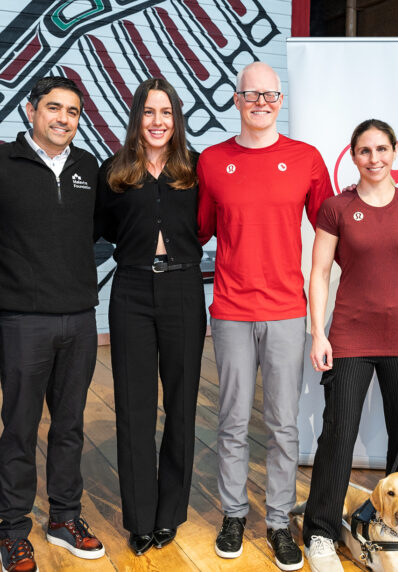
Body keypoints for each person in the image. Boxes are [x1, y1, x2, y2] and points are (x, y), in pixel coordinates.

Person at [197, 61, 333, 571]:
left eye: (269, 95)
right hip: (230, 310)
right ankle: (234, 514)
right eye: (250, 95)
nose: (260, 102)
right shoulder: (212, 161)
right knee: (231, 422)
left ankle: (278, 521)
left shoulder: (306, 160)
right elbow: (199, 231)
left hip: (285, 311)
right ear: (235, 100)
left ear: (280, 101)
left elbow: (332, 229)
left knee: (281, 425)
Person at [301, 119, 398, 572]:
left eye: (382, 149)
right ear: (353, 155)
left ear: (395, 153)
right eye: (365, 151)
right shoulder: (336, 208)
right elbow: (319, 272)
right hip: (350, 336)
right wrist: (317, 332)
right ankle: (320, 532)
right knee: (338, 433)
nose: (374, 158)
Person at [95, 78, 206, 556]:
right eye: (148, 112)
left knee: (181, 406)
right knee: (134, 407)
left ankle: (169, 515)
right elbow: (94, 231)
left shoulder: (200, 168)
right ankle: (140, 518)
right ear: (136, 117)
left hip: (184, 288)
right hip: (133, 291)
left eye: (166, 112)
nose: (158, 121)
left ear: (176, 118)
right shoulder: (113, 171)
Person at [0, 76, 104, 572]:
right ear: (30, 111)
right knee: (19, 428)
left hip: (81, 319)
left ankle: (64, 517)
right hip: (22, 321)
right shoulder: (4, 163)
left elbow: (105, 232)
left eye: (73, 111)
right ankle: (12, 528)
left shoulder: (88, 168)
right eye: (53, 108)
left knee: (69, 427)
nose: (64, 118)